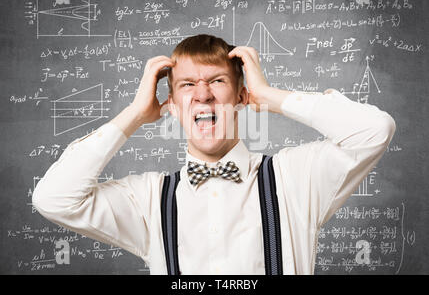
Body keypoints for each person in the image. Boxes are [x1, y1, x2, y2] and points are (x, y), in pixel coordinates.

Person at [32, 34, 396, 275]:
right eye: (188, 85)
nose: (202, 95)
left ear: (241, 96)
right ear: (172, 105)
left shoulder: (295, 178)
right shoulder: (148, 199)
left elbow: (374, 131)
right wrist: (133, 115)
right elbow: (53, 199)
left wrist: (270, 96)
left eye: (217, 81)